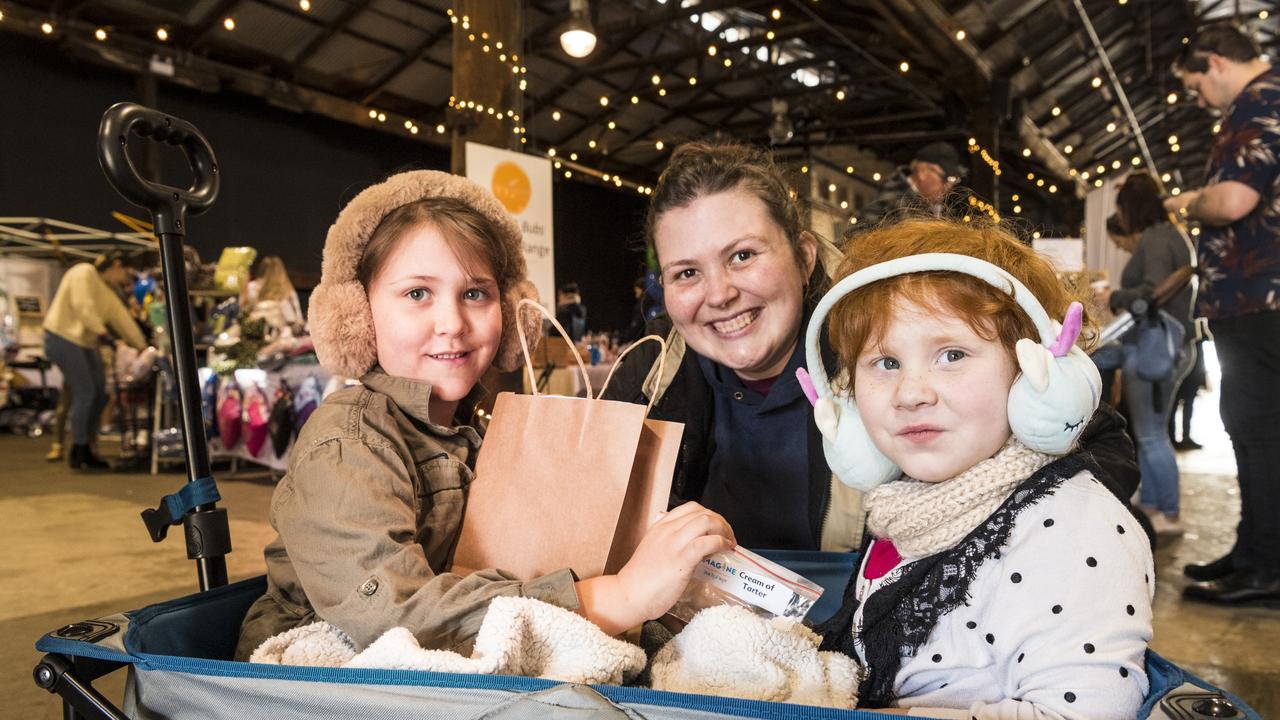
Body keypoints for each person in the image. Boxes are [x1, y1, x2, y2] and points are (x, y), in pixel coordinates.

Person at [234, 170, 734, 661]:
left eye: (475, 293)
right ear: (359, 316)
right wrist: (618, 597)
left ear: (510, 310)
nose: (452, 323)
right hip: (314, 687)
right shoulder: (347, 443)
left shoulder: (486, 428)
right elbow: (394, 615)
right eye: (416, 294)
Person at [602, 142, 1140, 553]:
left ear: (805, 256)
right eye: (687, 272)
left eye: (742, 256)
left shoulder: (891, 334)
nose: (718, 294)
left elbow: (1104, 448)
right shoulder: (649, 381)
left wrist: (970, 547)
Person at [816, 218, 1152, 718]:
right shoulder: (906, 504)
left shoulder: (1076, 529)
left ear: (1033, 378)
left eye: (951, 355)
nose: (911, 394)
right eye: (885, 363)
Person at [1165, 22, 1280, 604]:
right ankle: (1257, 549)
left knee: (1257, 430)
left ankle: (1264, 567)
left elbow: (1234, 199)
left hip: (1260, 296)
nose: (1199, 100)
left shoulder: (1259, 100)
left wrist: (1188, 201)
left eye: (1195, 85)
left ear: (1212, 62)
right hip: (1263, 298)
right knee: (1263, 431)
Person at [1103, 172, 1197, 537]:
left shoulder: (1156, 239)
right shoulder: (1171, 235)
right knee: (1153, 433)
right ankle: (1156, 505)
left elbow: (1150, 292)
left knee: (1151, 435)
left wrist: (1114, 297)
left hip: (1154, 346)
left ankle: (1169, 513)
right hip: (1167, 345)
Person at [42, 250, 149, 470]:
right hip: (62, 337)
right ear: (117, 265)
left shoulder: (107, 290)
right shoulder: (84, 272)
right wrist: (104, 335)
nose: (127, 280)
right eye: (127, 274)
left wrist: (142, 346)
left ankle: (90, 447)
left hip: (85, 342)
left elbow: (122, 319)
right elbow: (84, 307)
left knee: (101, 393)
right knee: (86, 392)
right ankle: (78, 449)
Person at [848, 141, 969, 237]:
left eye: (953, 179)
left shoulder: (938, 208)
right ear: (922, 171)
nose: (949, 184)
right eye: (944, 177)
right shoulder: (892, 202)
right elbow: (855, 237)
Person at [242, 256, 304, 338]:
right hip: (281, 339)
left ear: (261, 269)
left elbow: (243, 311)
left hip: (253, 337)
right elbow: (297, 320)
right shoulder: (287, 291)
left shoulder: (251, 287)